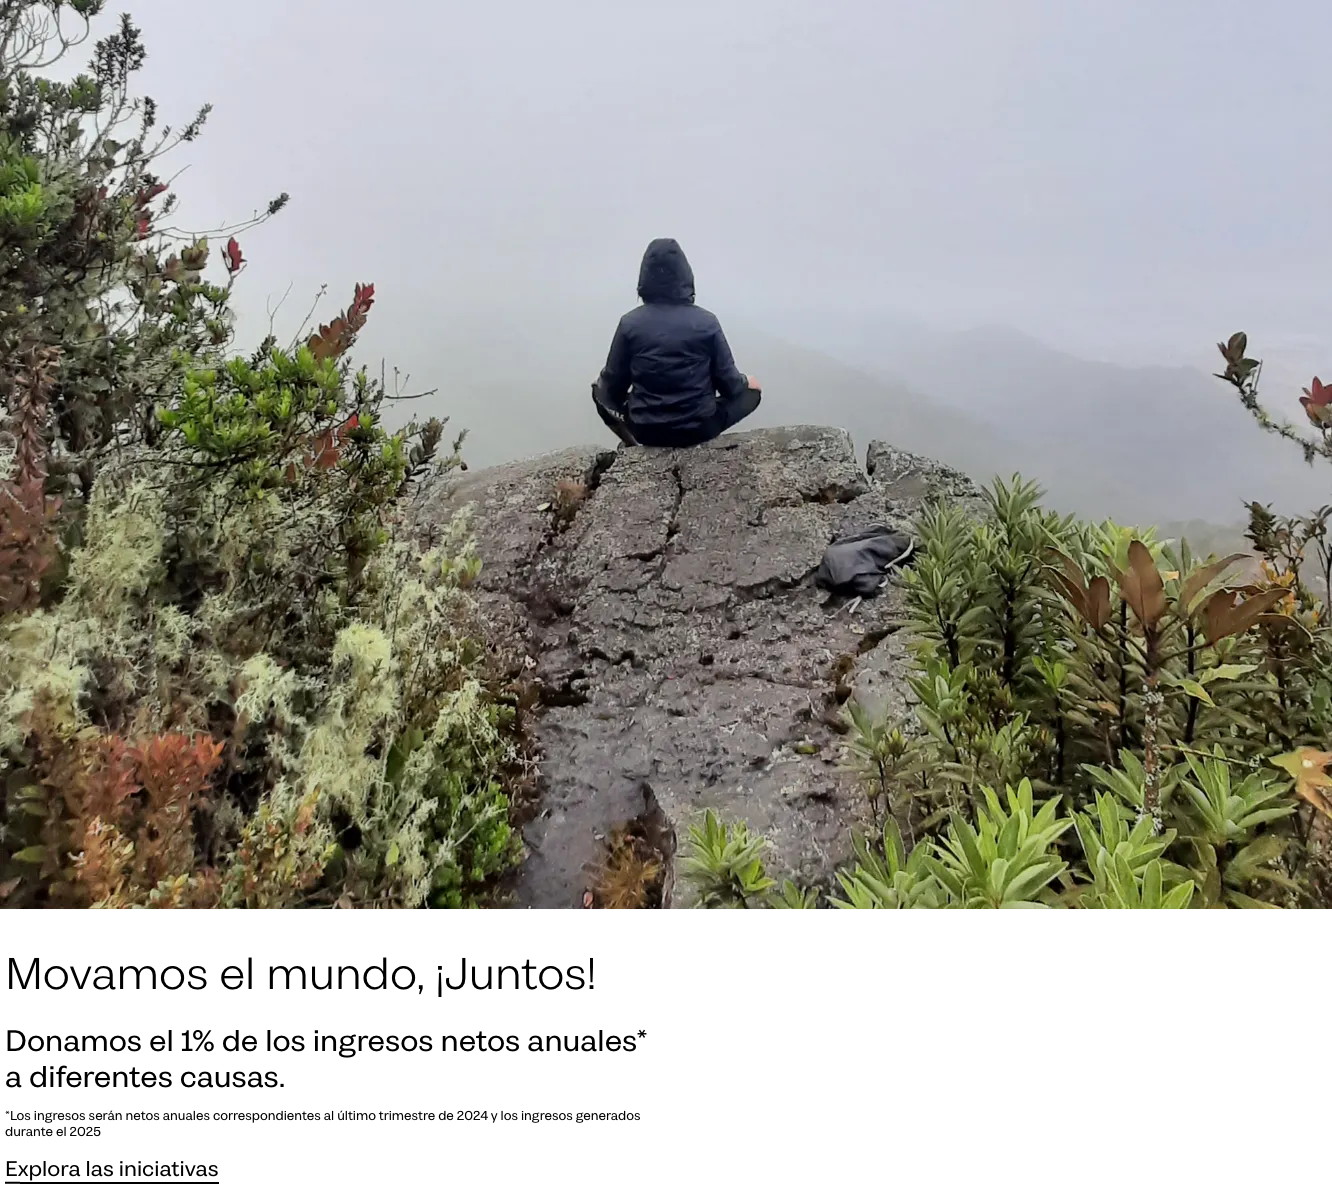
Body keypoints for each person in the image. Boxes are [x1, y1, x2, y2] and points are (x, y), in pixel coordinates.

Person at [592, 238, 761, 448]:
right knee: (752, 393)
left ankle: (630, 443)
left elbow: (612, 389)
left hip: (646, 431)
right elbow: (729, 385)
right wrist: (746, 382)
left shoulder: (629, 324)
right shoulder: (707, 322)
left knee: (598, 391)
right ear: (685, 275)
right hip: (700, 428)